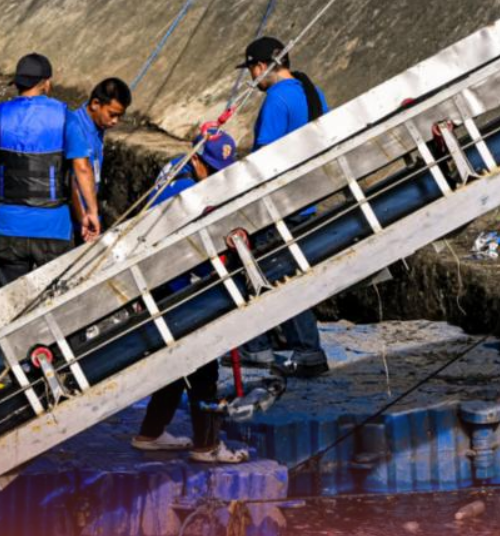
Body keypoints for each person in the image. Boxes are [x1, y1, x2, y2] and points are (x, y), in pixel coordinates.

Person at [130, 124, 248, 463]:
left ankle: (151, 433)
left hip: (171, 281)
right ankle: (207, 446)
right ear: (197, 162)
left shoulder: (181, 175)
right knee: (202, 365)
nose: (215, 178)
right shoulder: (181, 192)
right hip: (171, 286)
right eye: (211, 170)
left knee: (178, 364)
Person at [0, 54, 100, 286]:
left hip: (9, 230)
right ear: (46, 83)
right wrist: (91, 212)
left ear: (17, 84)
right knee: (54, 302)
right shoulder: (65, 117)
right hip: (54, 230)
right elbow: (82, 168)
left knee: (11, 306)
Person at [240, 35, 330, 376]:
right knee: (293, 275)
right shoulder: (312, 91)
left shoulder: (277, 98)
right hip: (308, 200)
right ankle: (280, 345)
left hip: (282, 207)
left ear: (260, 67)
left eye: (251, 70)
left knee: (273, 276)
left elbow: (263, 158)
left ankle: (293, 350)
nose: (252, 79)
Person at [67, 77, 131, 239]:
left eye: (119, 116)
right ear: (95, 104)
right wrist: (85, 216)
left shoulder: (97, 128)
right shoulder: (75, 128)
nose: (115, 121)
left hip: (88, 212)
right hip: (75, 216)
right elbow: (70, 180)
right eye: (112, 114)